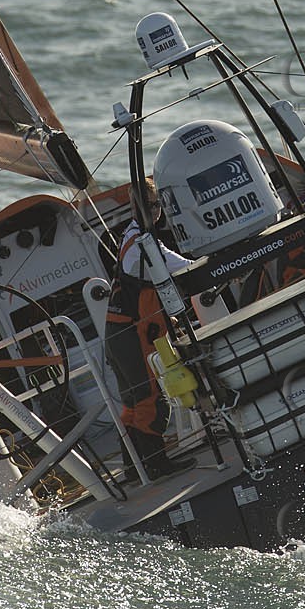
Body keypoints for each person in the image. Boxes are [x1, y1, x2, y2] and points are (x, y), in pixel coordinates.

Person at [103, 178, 195, 480]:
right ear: (139, 207)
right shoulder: (141, 243)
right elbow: (177, 266)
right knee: (150, 398)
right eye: (153, 206)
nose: (158, 212)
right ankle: (156, 464)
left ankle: (134, 467)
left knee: (132, 403)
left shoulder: (134, 237)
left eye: (159, 206)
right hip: (131, 334)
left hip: (117, 334)